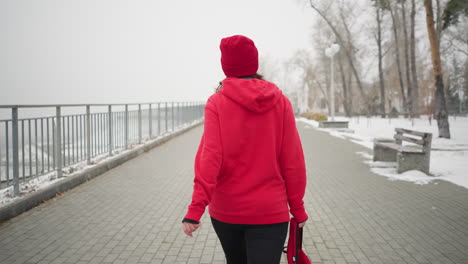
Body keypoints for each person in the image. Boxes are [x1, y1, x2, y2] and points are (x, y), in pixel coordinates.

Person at [182, 35, 308, 264]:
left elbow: (210, 157)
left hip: (227, 211)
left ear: (226, 66)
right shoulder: (281, 103)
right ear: (254, 63)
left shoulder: (216, 103)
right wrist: (298, 209)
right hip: (270, 211)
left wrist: (195, 209)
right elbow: (293, 161)